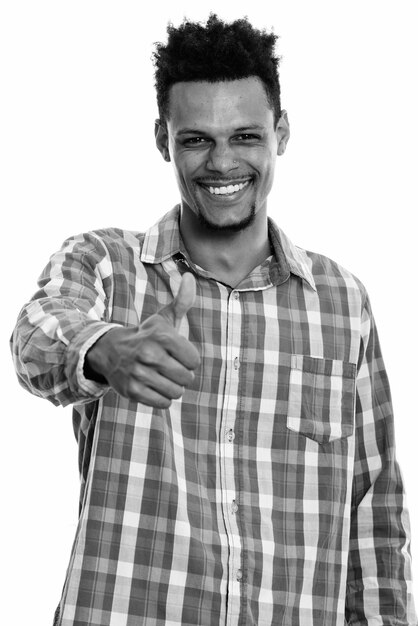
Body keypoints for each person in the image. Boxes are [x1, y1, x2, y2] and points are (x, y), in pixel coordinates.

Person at [10, 13, 417, 626]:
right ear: (161, 138)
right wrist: (105, 347)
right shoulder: (107, 264)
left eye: (246, 137)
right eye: (196, 139)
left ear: (281, 132)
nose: (223, 163)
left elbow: (374, 512)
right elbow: (35, 337)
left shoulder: (342, 301)